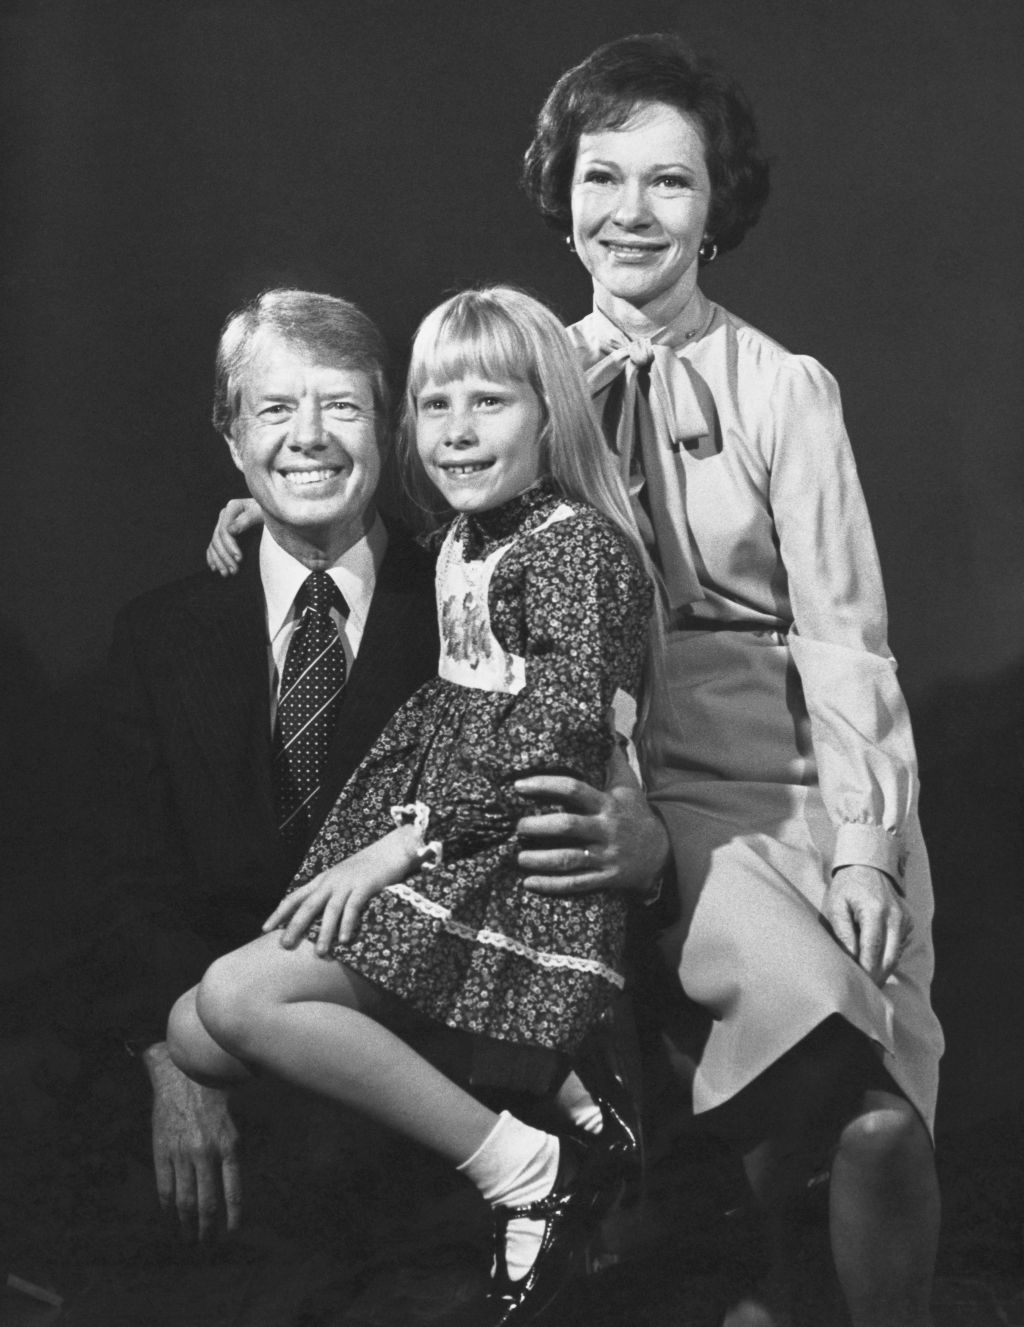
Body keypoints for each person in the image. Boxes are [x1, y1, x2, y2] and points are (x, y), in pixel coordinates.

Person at [519, 31, 944, 1327]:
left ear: (715, 210)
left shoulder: (785, 389)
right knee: (826, 1064)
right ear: (563, 196)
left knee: (880, 1126)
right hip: (649, 787)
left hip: (812, 775)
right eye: (602, 177)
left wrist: (866, 849)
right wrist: (285, 528)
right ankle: (784, 1282)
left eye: (669, 181)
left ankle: (800, 1294)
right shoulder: (520, 386)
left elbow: (847, 637)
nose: (630, 212)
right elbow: (446, 552)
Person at [98, 286, 666, 1250]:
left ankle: (541, 1147)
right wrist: (166, 1064)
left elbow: (576, 737)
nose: (309, 438)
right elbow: (120, 881)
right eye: (276, 411)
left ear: (385, 425)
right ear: (232, 438)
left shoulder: (469, 582)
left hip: (450, 1076)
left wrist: (648, 850)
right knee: (194, 1032)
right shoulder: (158, 634)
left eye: (341, 407)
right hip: (256, 1073)